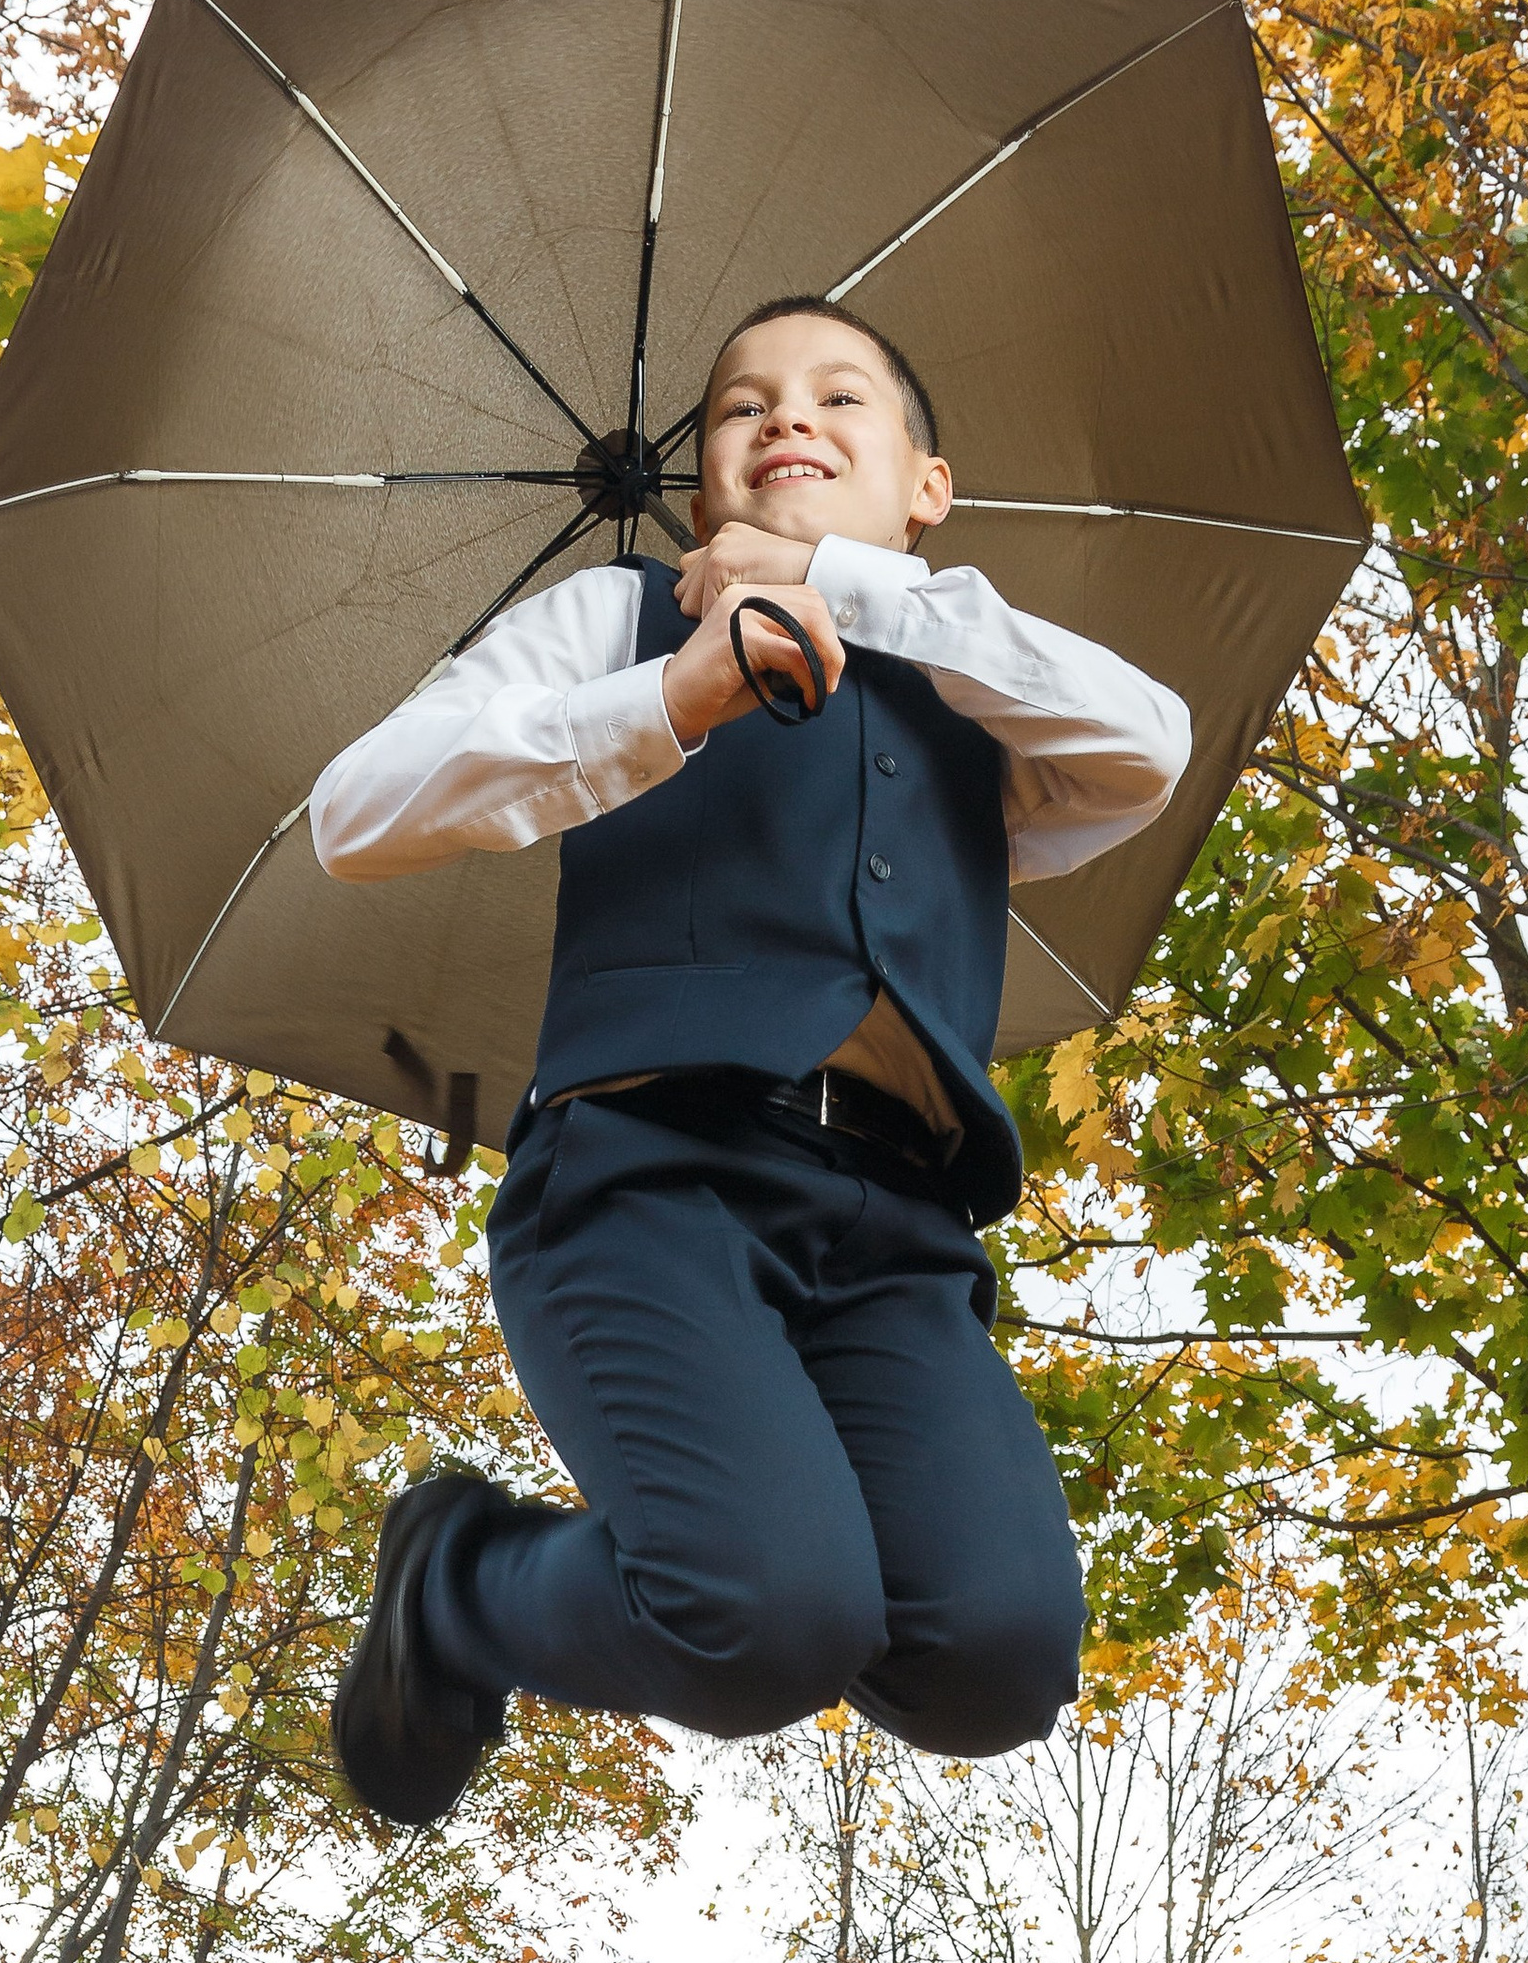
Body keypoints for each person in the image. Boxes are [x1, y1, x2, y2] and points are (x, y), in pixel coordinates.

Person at [308, 296, 1191, 1825]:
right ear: (705, 483)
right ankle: (460, 1584)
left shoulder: (987, 683)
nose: (789, 419)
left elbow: (1150, 742)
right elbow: (356, 810)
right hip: (652, 1179)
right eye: (741, 408)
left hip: (899, 1230)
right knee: (766, 1620)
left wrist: (853, 590)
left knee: (997, 1658)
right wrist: (676, 697)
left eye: (842, 397)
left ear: (926, 484)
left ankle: (743, 1573)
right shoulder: (616, 623)